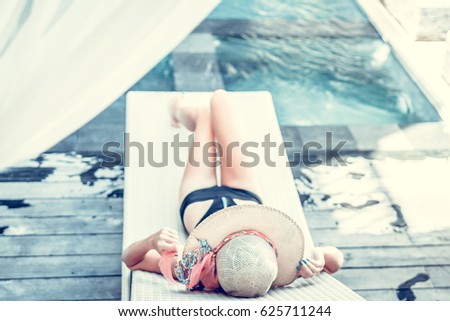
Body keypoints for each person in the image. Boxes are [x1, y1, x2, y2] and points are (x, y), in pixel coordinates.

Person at [122, 89, 344, 297]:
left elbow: (132, 260)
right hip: (245, 196)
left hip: (201, 201)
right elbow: (336, 259)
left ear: (215, 263)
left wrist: (151, 241)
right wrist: (320, 259)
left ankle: (178, 112)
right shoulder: (267, 269)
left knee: (205, 117)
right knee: (220, 99)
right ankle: (185, 112)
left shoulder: (192, 267)